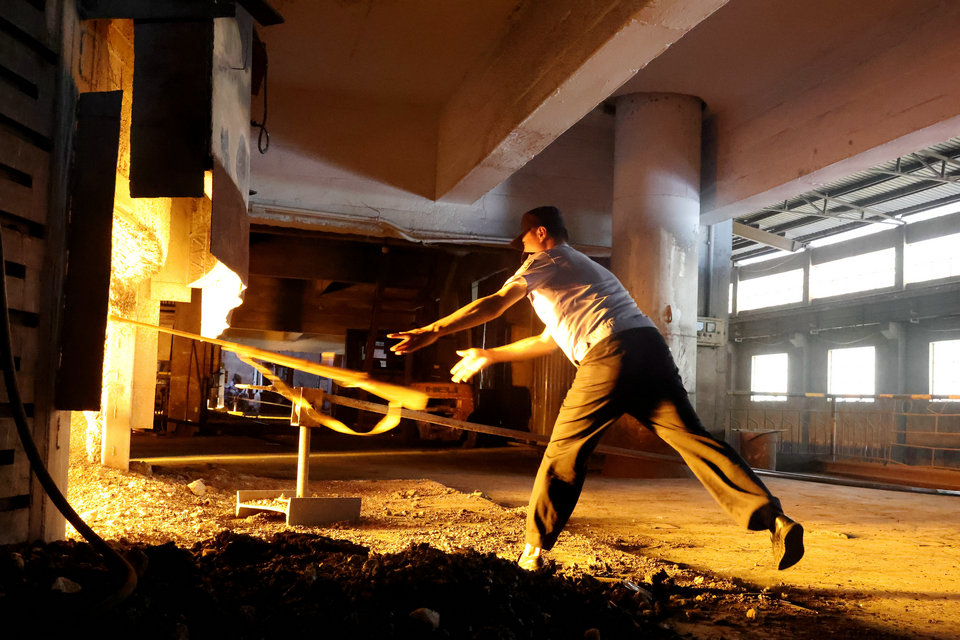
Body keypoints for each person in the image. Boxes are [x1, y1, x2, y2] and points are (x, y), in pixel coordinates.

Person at [388, 206, 804, 572]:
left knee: (565, 451)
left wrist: (433, 330)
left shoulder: (546, 259)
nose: (522, 250)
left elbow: (496, 302)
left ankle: (533, 552)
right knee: (695, 440)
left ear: (541, 233)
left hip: (610, 353)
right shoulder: (583, 270)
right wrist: (490, 354)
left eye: (524, 240)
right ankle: (775, 520)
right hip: (649, 349)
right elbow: (548, 340)